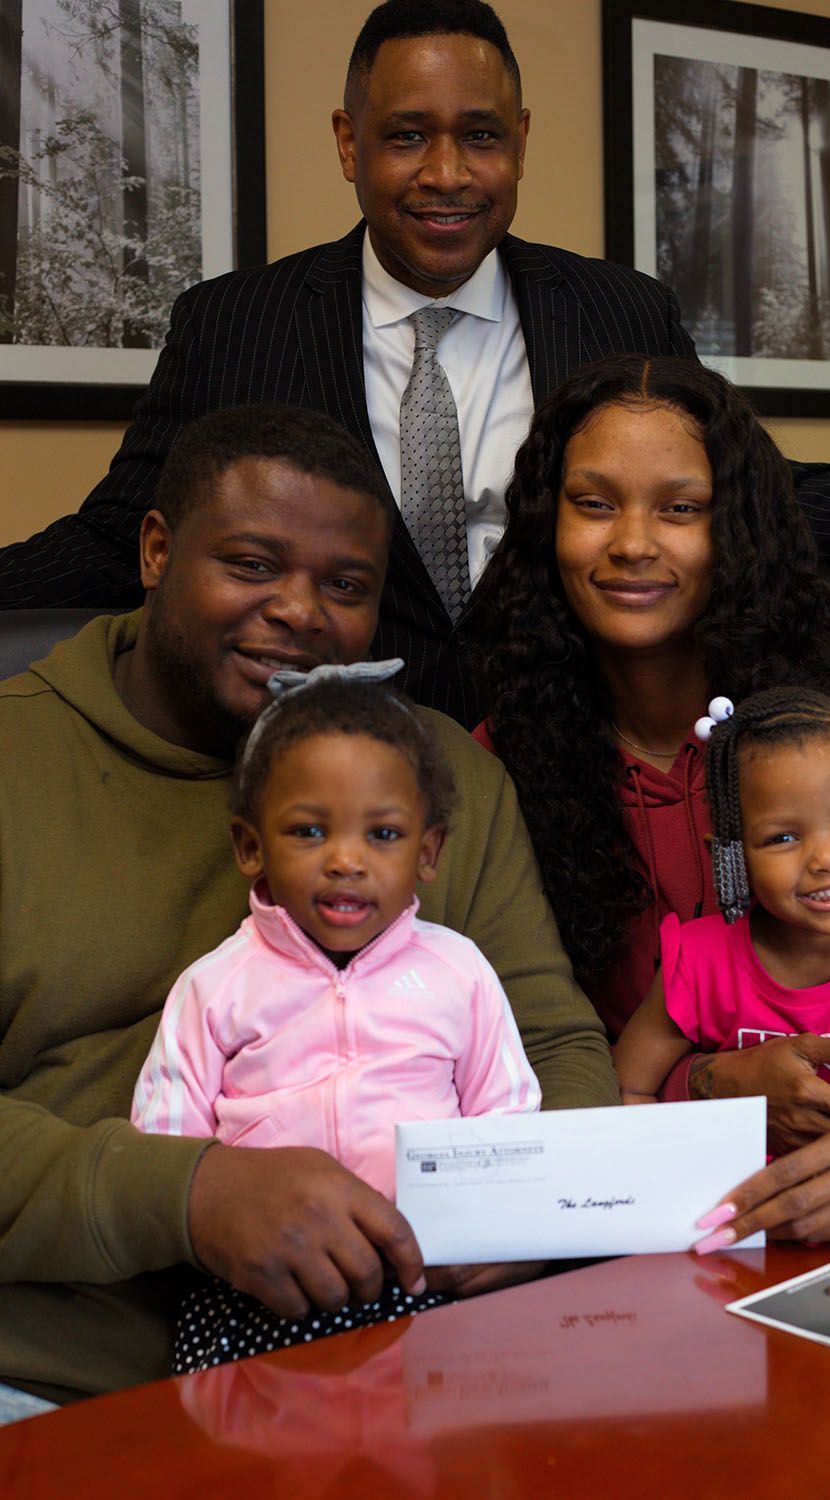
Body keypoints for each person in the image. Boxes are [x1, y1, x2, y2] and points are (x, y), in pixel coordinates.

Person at [2, 0, 830, 728]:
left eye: (478, 136)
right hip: (321, 796)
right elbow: (116, 536)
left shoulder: (618, 309)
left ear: (518, 144)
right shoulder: (234, 322)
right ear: (350, 145)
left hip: (559, 775)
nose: (445, 174)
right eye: (406, 138)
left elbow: (749, 493)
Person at [0, 403, 617, 1412]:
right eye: (251, 565)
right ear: (156, 551)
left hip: (402, 1369)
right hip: (55, 1380)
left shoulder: (437, 777)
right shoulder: (17, 757)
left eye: (345, 586)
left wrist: (524, 1215)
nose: (299, 611)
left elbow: (551, 1041)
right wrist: (191, 1195)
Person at [471, 353, 830, 1247]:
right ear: (544, 526)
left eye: (681, 508)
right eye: (594, 503)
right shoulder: (501, 764)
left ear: (738, 531)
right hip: (652, 1216)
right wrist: (709, 1088)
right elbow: (516, 1065)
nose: (632, 542)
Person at [132, 667, 541, 1370]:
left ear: (429, 852)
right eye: (309, 830)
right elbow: (164, 1150)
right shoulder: (215, 986)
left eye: (383, 834)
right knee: (260, 1463)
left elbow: (509, 1119)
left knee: (425, 1464)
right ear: (250, 847)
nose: (346, 860)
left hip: (428, 1281)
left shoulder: (458, 971)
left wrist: (488, 1231)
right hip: (259, 1294)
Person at [614, 688, 830, 1133]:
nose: (827, 859)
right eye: (783, 838)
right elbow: (626, 1091)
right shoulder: (697, 964)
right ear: (734, 854)